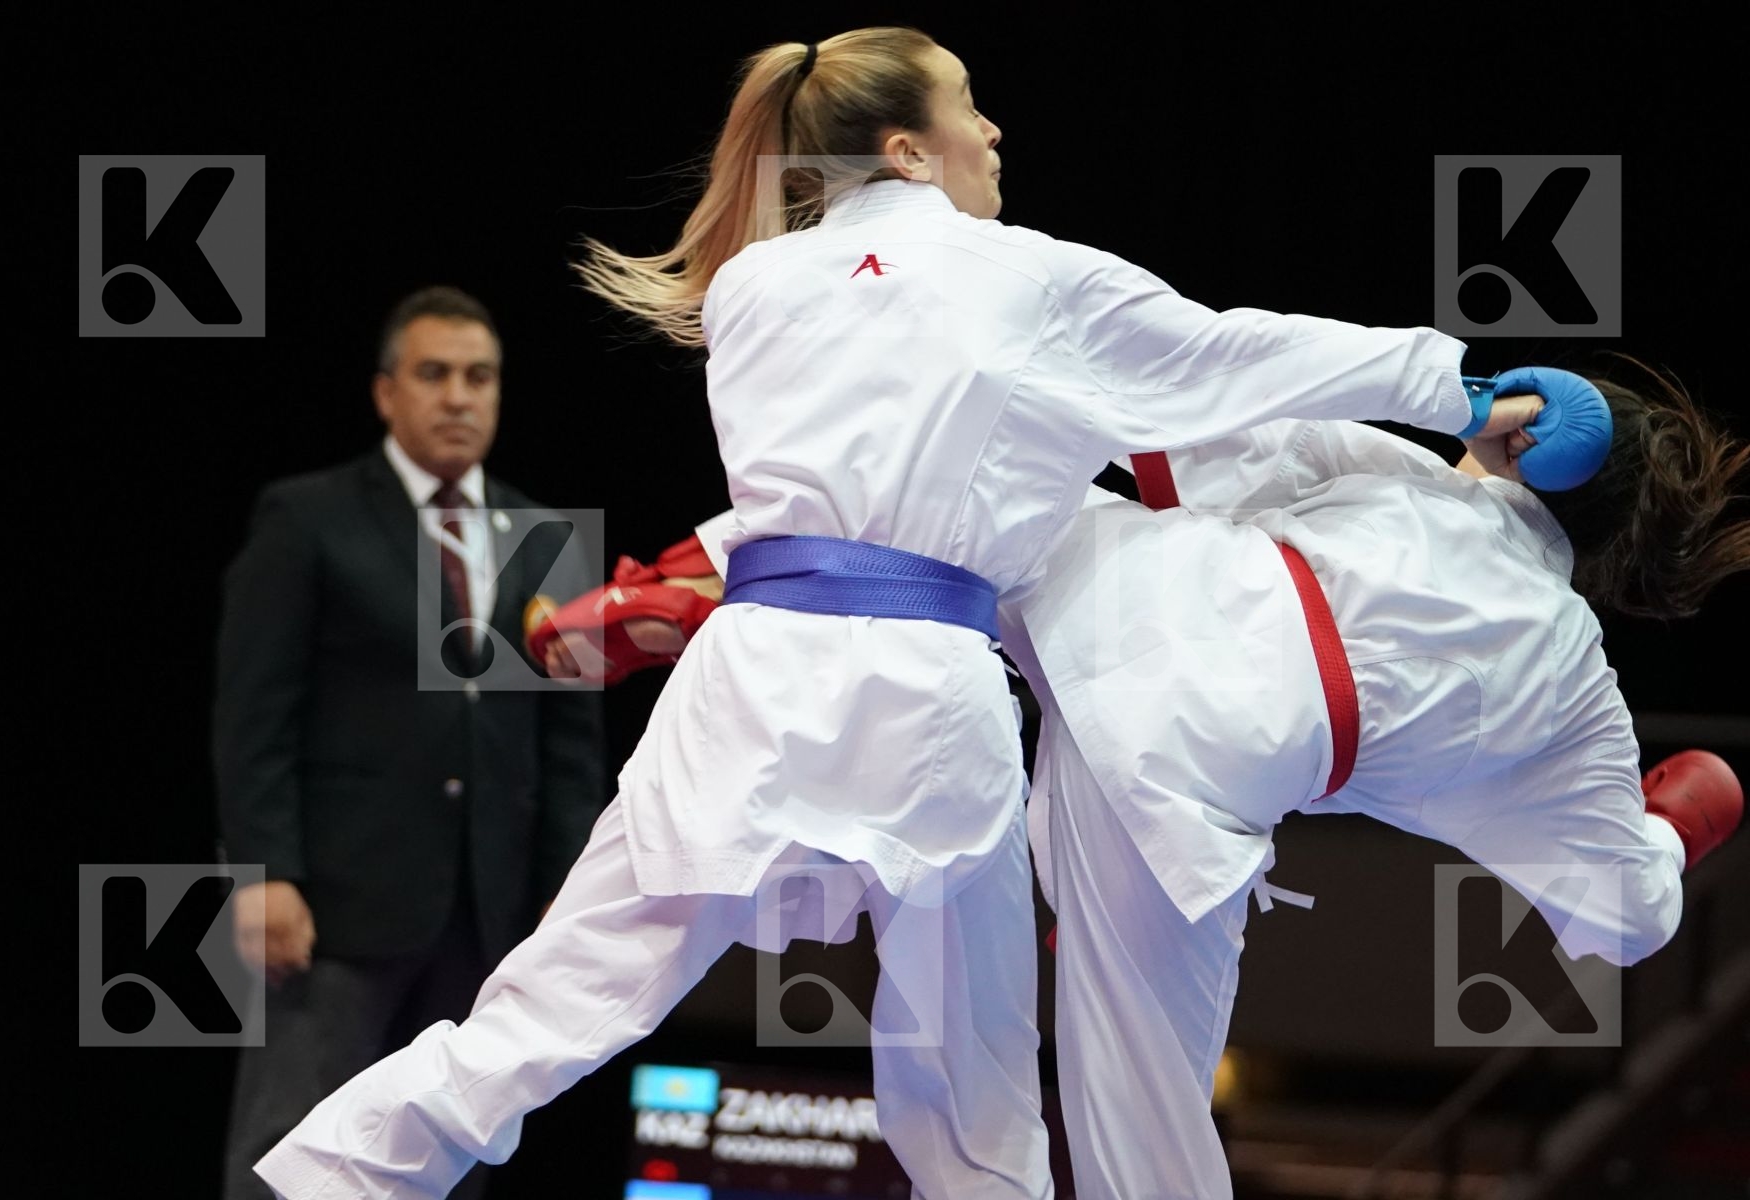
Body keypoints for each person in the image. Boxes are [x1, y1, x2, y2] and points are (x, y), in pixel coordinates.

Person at [253, 29, 1589, 1199]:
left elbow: (855, 459)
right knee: (972, 1069)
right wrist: (1449, 386)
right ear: (909, 146)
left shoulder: (747, 289)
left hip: (755, 669)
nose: (995, 129)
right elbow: (1232, 356)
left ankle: (339, 1173)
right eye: (971, 105)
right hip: (925, 692)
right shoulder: (1023, 276)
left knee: (568, 991)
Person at [1012, 359, 1748, 1197]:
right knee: (1147, 1156)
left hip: (1112, 599)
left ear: (1527, 444)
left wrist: (1438, 396)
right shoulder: (1573, 686)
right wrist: (1671, 827)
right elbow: (1632, 915)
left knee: (944, 500)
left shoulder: (1396, 471)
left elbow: (1165, 393)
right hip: (1174, 791)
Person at [214, 286, 608, 1200]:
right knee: (293, 1148)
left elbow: (569, 747)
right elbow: (254, 713)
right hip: (337, 908)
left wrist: (562, 898)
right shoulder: (309, 517)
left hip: (487, 911)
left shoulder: (540, 538)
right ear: (387, 393)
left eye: (480, 377)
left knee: (447, 1159)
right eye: (434, 375)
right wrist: (267, 873)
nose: (459, 397)